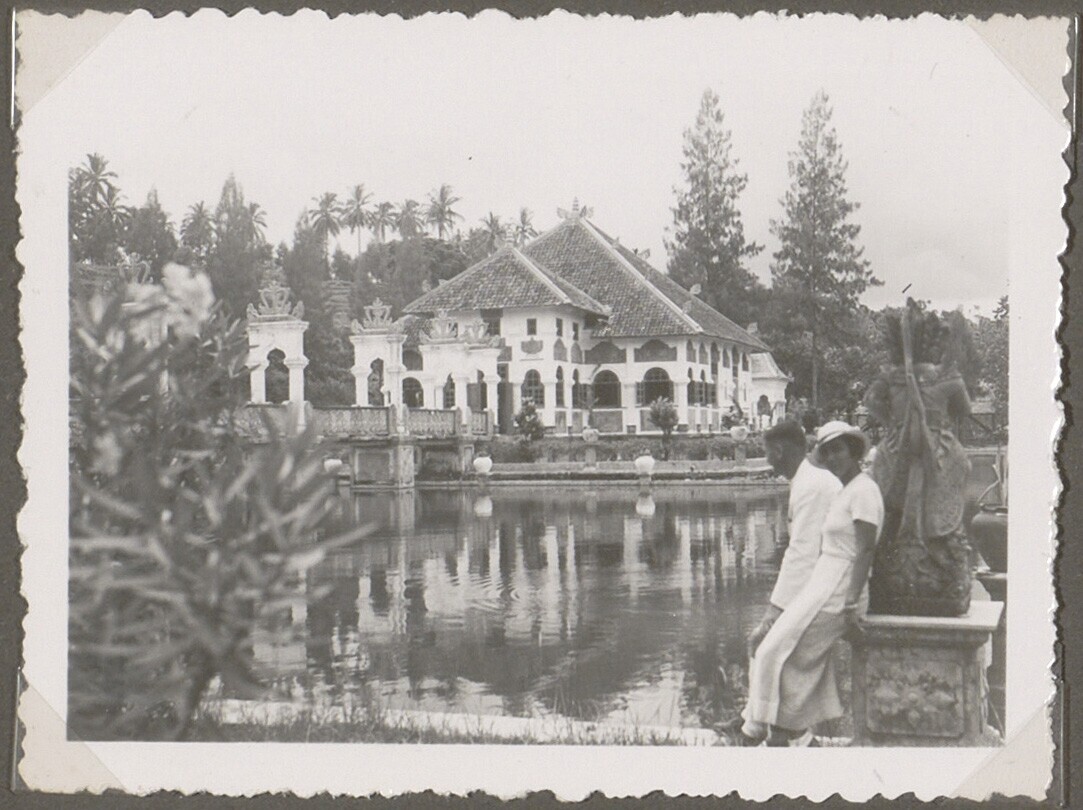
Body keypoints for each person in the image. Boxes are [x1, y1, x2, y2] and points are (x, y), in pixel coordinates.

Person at [736, 421, 884, 747]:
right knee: (775, 649)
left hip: (840, 589)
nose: (832, 458)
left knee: (782, 651)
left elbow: (865, 550)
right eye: (826, 452)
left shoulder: (863, 490)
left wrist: (851, 601)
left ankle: (772, 731)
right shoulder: (843, 490)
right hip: (823, 584)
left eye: (838, 450)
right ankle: (784, 732)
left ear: (854, 451)